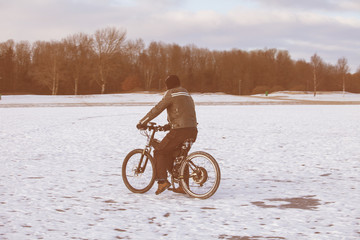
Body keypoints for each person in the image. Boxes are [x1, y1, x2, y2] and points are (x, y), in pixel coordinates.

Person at [136, 75, 198, 195]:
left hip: (179, 131)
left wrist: (142, 122)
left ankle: (162, 182)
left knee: (159, 151)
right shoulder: (187, 94)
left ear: (168, 85)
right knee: (180, 156)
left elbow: (157, 109)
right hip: (192, 130)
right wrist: (168, 126)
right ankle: (183, 186)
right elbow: (183, 114)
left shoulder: (171, 93)